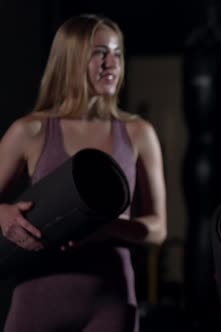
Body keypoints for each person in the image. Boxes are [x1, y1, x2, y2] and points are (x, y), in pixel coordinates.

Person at [0, 14, 167, 332]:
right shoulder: (30, 130)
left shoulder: (138, 133)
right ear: (70, 60)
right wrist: (2, 213)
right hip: (38, 298)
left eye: (117, 54)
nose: (111, 64)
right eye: (99, 53)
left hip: (111, 302)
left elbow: (158, 228)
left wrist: (102, 229)